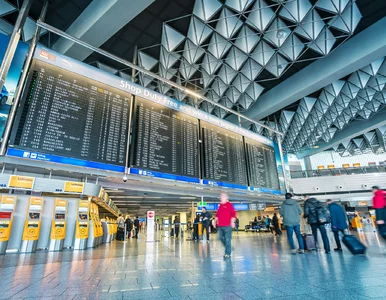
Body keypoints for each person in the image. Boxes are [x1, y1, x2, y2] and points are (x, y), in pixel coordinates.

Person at [215, 193, 236, 259]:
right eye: (220, 197)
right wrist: (214, 221)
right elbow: (217, 214)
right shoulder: (220, 205)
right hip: (220, 225)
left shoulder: (229, 205)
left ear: (226, 198)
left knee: (227, 240)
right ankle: (229, 248)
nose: (221, 198)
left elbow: (233, 214)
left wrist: (232, 222)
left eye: (222, 196)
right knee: (220, 238)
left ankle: (227, 253)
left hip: (227, 226)